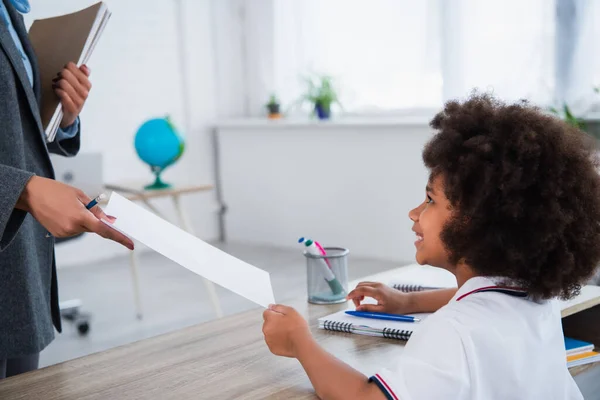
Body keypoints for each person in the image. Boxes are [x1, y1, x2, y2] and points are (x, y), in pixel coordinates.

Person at [262, 94, 600, 399]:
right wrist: (408, 301)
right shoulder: (536, 297)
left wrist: (299, 343)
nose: (414, 213)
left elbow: (365, 398)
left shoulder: (451, 332)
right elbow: (485, 305)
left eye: (429, 200)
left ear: (475, 220)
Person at [0, 0, 133, 379]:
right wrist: (23, 190)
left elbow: (15, 124)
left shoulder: (11, 11)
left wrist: (63, 115)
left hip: (20, 262)